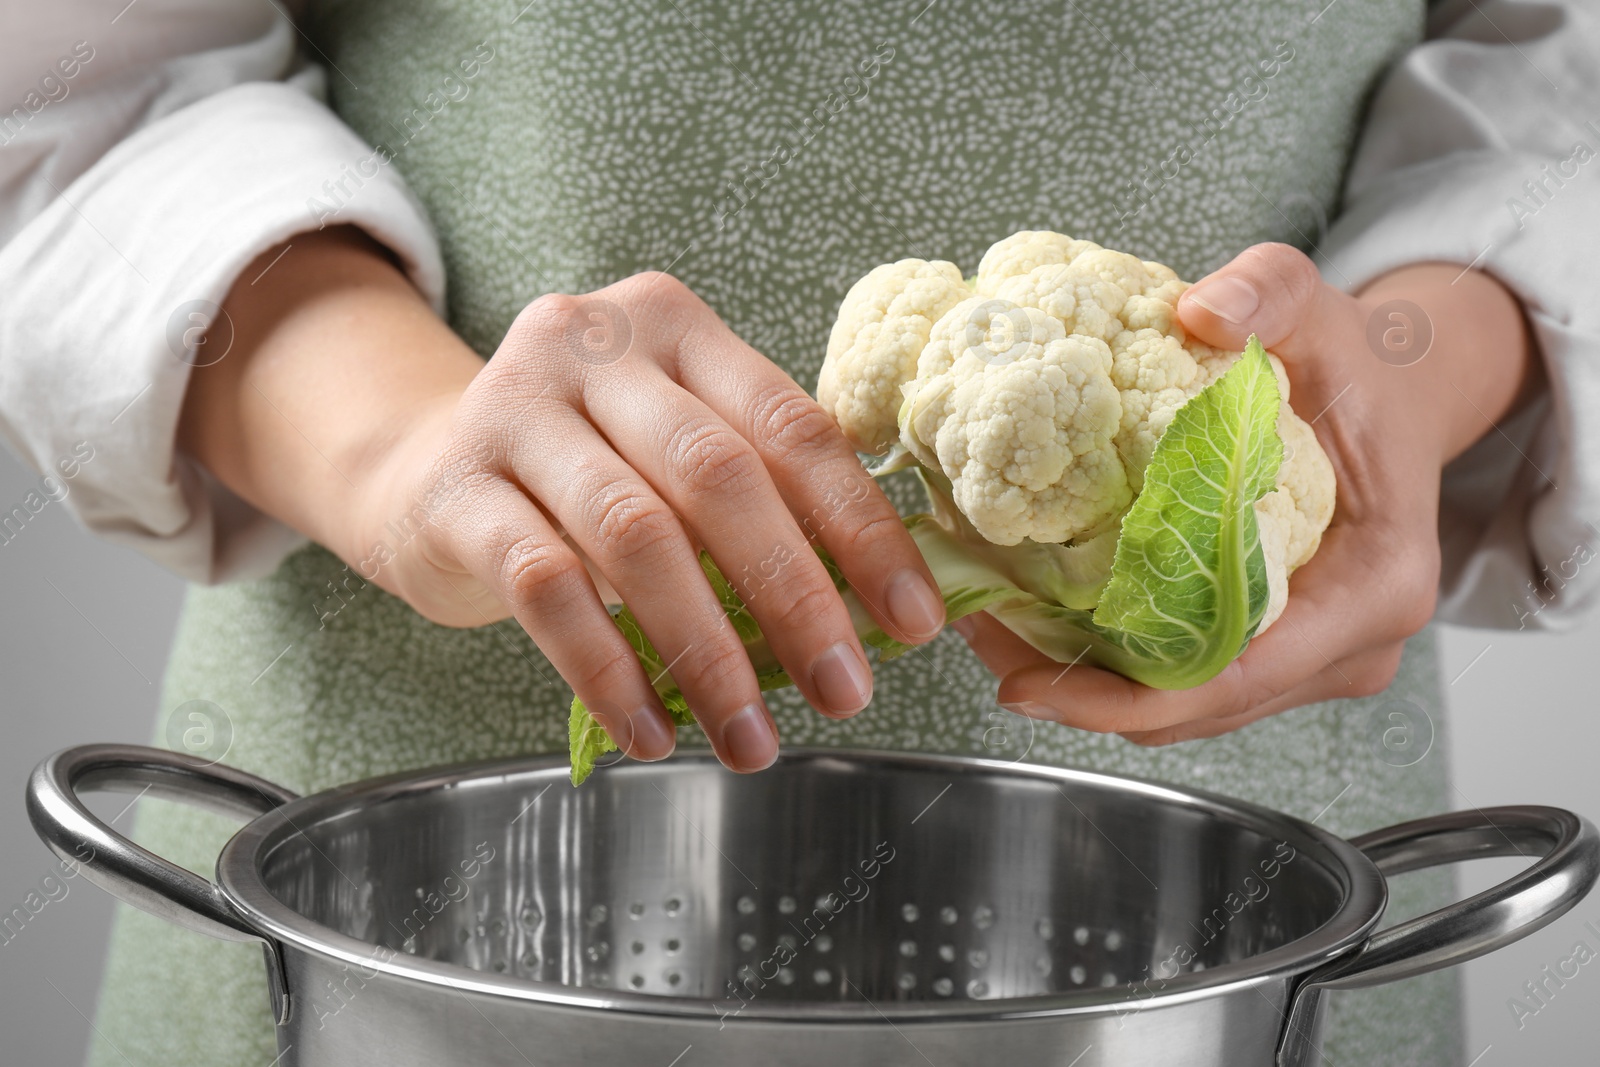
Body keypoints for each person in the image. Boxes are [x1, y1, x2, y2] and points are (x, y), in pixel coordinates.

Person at [2, 1, 1596, 1064]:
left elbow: (1561, 87)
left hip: (1243, 821)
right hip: (413, 854)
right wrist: (412, 445)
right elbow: (90, 95)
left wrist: (1406, 372)